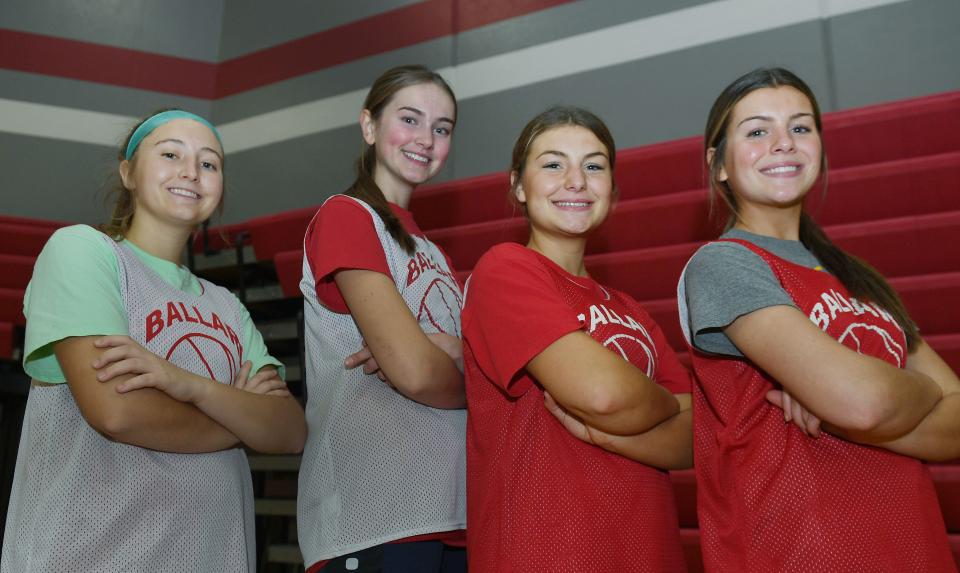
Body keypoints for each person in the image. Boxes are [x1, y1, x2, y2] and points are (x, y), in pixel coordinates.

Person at [1, 109, 307, 573]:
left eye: (209, 163)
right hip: (88, 558)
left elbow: (289, 430)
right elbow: (118, 412)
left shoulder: (228, 306)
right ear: (128, 172)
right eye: (170, 154)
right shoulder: (84, 252)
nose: (191, 172)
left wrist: (190, 385)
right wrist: (242, 418)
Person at [678, 67, 959, 572]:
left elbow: (947, 424)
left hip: (914, 546)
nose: (783, 144)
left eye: (801, 128)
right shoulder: (724, 265)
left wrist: (841, 412)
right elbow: (864, 402)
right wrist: (918, 395)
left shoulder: (857, 277)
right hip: (799, 552)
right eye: (758, 131)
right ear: (717, 164)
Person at [462, 105, 693, 572]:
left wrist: (608, 436)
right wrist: (669, 406)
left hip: (651, 554)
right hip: (545, 553)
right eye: (552, 164)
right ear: (518, 186)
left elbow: (695, 441)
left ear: (613, 188)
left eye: (594, 165)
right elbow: (602, 393)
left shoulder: (630, 309)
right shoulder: (505, 268)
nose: (576, 180)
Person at [297, 65, 467, 573]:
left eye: (441, 128)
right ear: (369, 127)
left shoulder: (432, 249)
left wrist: (452, 351)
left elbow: (429, 361)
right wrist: (467, 372)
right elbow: (413, 371)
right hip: (376, 518)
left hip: (451, 512)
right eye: (410, 119)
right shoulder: (347, 215)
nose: (426, 139)